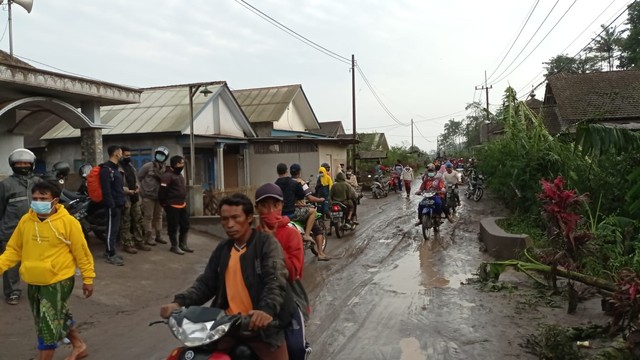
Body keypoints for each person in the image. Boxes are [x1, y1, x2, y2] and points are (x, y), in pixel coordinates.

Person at [159, 193, 292, 360]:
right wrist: (179, 302)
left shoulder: (266, 244)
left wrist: (265, 311)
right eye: (224, 219)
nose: (229, 224)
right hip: (225, 326)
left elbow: (275, 280)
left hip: (260, 328)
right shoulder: (223, 248)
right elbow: (206, 284)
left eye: (235, 218)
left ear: (249, 217)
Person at [0, 181, 95, 360]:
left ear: (55, 201)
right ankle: (79, 345)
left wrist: (88, 278)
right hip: (33, 280)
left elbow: (82, 253)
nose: (38, 202)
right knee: (57, 316)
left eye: (43, 198)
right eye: (35, 198)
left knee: (47, 326)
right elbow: (13, 250)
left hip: (58, 280)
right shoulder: (26, 221)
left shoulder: (68, 223)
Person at [254, 183, 311, 359]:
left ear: (281, 206)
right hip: (258, 298)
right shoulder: (252, 236)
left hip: (289, 298)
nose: (270, 210)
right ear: (257, 208)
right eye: (264, 205)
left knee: (295, 348)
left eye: (275, 205)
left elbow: (294, 272)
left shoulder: (291, 234)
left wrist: (273, 245)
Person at [0, 148, 41, 305]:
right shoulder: (6, 185)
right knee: (11, 264)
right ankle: (12, 292)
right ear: (12, 165)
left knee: (37, 261)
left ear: (32, 165)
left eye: (26, 163)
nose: (22, 165)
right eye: (19, 163)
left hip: (35, 229)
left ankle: (38, 289)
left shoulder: (38, 183)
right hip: (11, 230)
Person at [289, 163, 329, 261]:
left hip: (286, 211)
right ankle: (319, 252)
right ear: (299, 172)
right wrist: (320, 200)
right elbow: (310, 197)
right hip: (298, 210)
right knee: (317, 228)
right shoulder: (301, 183)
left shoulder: (286, 182)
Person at [158, 155, 192, 255]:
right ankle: (174, 246)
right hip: (172, 206)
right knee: (173, 226)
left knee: (185, 225)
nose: (183, 165)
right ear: (176, 164)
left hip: (182, 204)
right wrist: (164, 204)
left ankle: (183, 244)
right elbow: (162, 192)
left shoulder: (179, 175)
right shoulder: (167, 176)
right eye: (181, 163)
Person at [119, 146, 150, 254]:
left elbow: (136, 178)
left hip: (135, 197)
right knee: (126, 222)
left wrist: (137, 187)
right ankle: (127, 244)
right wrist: (127, 191)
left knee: (138, 219)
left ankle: (139, 241)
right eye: (126, 155)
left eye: (129, 155)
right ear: (120, 154)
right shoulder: (118, 168)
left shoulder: (131, 166)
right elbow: (117, 185)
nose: (128, 157)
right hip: (125, 198)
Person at [137, 146, 170, 246]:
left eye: (163, 155)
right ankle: (148, 237)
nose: (160, 156)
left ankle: (159, 236)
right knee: (148, 217)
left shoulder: (166, 168)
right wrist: (141, 191)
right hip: (148, 196)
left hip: (160, 196)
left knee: (159, 216)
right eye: (159, 154)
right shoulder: (148, 166)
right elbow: (139, 178)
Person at [101, 145, 126, 266]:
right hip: (112, 205)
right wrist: (111, 205)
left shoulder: (115, 168)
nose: (122, 154)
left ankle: (110, 251)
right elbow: (106, 189)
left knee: (115, 229)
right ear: (116, 153)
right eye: (121, 152)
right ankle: (110, 254)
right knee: (111, 229)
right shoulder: (106, 169)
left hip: (118, 203)